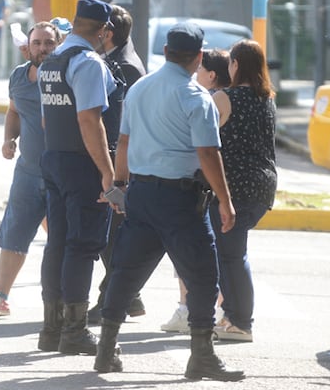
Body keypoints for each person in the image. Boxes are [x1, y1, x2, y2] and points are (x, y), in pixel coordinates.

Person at [94, 22, 243, 382]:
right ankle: (202, 356)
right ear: (199, 57)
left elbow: (125, 143)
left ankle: (106, 349)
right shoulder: (196, 98)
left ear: (165, 52)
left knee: (126, 273)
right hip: (179, 200)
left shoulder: (140, 89)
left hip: (141, 195)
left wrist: (119, 186)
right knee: (204, 278)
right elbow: (207, 154)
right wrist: (225, 200)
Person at [36, 0, 119, 356]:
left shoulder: (51, 61)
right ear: (103, 31)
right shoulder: (87, 63)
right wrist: (107, 173)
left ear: (75, 21)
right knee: (82, 246)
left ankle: (51, 328)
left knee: (58, 243)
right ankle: (74, 331)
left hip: (54, 157)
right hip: (81, 164)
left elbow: (45, 119)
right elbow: (89, 120)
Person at [0, 21, 62, 318]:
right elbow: (14, 111)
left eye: (48, 43)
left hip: (61, 173)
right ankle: (0, 297)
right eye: (37, 42)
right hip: (27, 173)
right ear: (28, 45)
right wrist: (8, 140)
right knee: (14, 235)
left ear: (59, 43)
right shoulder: (18, 76)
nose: (42, 48)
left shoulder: (68, 76)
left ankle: (70, 302)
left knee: (65, 240)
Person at [208, 40, 278, 342]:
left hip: (234, 187)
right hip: (263, 185)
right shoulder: (268, 99)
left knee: (232, 255)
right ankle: (232, 316)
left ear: (235, 65)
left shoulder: (225, 98)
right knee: (231, 252)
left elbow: (203, 139)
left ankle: (241, 321)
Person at [161, 47, 232, 334]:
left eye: (200, 70)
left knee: (187, 254)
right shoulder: (233, 97)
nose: (195, 74)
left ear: (211, 75)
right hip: (218, 186)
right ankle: (213, 311)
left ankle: (188, 311)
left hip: (202, 187)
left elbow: (203, 147)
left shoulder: (210, 100)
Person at [89, 4, 146, 322]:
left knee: (112, 238)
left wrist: (113, 175)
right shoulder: (117, 60)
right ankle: (129, 297)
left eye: (97, 29)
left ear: (107, 33)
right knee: (109, 237)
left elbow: (121, 128)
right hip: (116, 160)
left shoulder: (124, 66)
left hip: (119, 163)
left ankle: (115, 299)